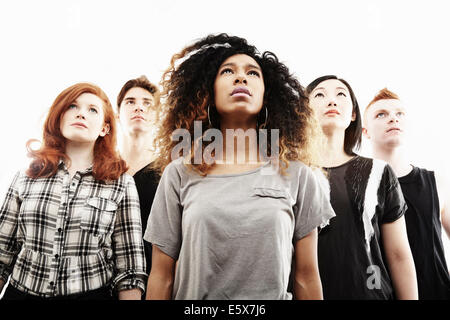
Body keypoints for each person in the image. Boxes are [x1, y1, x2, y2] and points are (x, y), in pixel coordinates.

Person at [144, 33, 335, 300]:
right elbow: (162, 276)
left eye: (253, 73)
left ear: (267, 96)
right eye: (227, 71)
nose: (241, 78)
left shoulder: (297, 175)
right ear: (208, 93)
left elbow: (306, 276)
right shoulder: (179, 173)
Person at [0, 83, 146, 300]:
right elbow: (2, 253)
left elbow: (130, 271)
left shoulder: (121, 183)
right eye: (72, 106)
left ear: (104, 128)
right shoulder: (26, 176)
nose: (81, 114)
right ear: (59, 117)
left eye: (92, 110)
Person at [306, 75, 418, 300]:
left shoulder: (379, 172)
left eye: (341, 94)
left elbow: (398, 254)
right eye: (320, 94)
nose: (332, 101)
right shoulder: (292, 174)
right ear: (304, 111)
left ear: (354, 114)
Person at [363, 88, 450, 299]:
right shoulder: (358, 188)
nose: (393, 118)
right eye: (381, 114)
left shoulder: (435, 181)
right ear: (365, 131)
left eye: (399, 113)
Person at [116, 76, 160, 278]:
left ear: (158, 115)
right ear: (117, 115)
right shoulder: (100, 170)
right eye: (130, 101)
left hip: (154, 280)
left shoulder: (169, 171)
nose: (139, 108)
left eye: (147, 103)